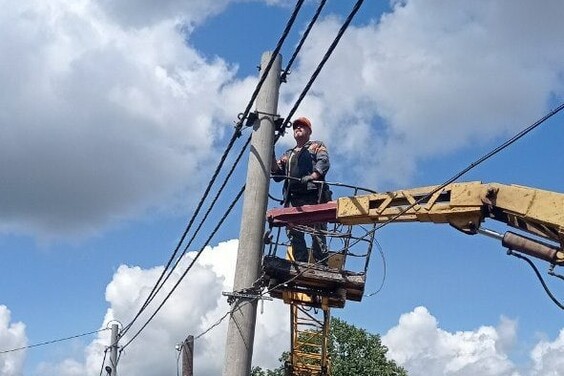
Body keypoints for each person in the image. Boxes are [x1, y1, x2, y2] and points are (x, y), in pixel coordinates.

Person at [271, 116, 332, 264]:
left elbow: (323, 162)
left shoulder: (316, 146)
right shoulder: (288, 154)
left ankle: (321, 263)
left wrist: (312, 176)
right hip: (294, 198)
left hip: (314, 196)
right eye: (296, 127)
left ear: (309, 131)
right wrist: (270, 149)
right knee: (293, 230)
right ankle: (300, 261)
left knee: (317, 231)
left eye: (302, 126)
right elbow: (277, 173)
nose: (298, 128)